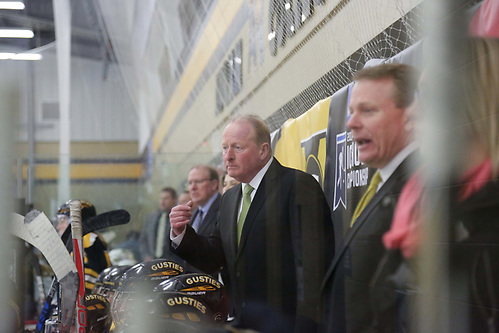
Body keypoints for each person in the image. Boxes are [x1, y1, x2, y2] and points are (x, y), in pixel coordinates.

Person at [383, 5, 499, 331]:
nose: (411, 113)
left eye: (429, 96)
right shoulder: (438, 207)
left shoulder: (485, 234)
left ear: (471, 101)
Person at [170, 114, 335, 332]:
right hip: (244, 323)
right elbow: (216, 256)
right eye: (224, 148)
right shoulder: (230, 198)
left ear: (263, 151)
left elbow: (313, 269)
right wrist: (182, 234)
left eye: (237, 148)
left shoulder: (296, 185)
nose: (227, 157)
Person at [321, 63, 420, 333]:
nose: (351, 123)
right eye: (352, 111)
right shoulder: (385, 182)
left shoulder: (425, 191)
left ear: (410, 117)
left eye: (368, 110)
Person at [56, 200, 111, 293]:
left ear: (77, 220)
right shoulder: (91, 239)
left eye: (62, 221)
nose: (58, 227)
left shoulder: (86, 240)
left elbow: (85, 283)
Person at [139, 187, 177, 261]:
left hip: (172, 262)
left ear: (174, 200)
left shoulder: (177, 218)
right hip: (153, 261)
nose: (162, 202)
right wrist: (146, 256)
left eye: (166, 198)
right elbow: (143, 240)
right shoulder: (151, 218)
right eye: (161, 198)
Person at [186, 165, 221, 238]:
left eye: (198, 181)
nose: (193, 187)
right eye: (190, 183)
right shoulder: (192, 214)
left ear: (214, 184)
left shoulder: (224, 208)